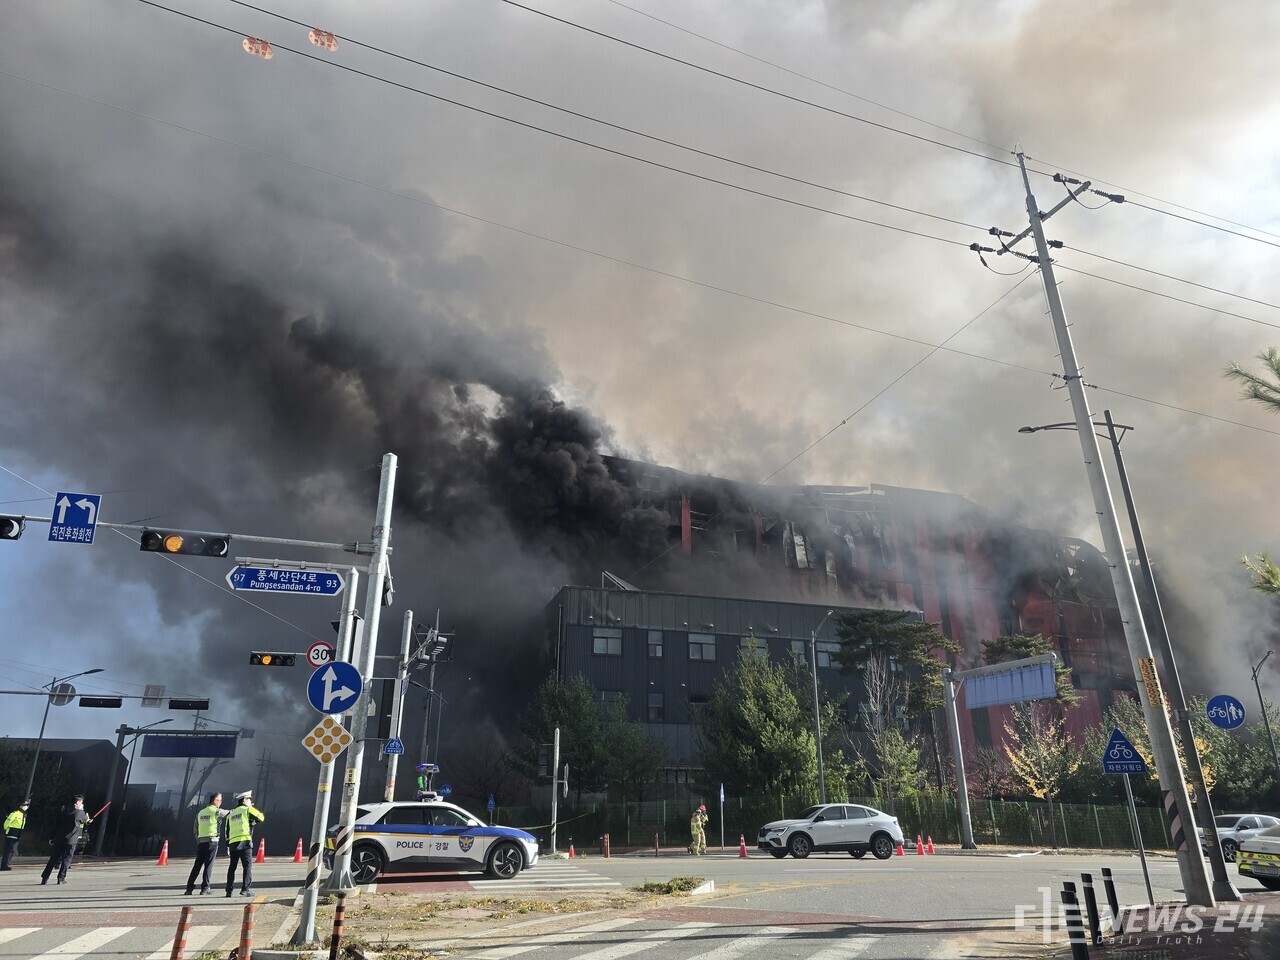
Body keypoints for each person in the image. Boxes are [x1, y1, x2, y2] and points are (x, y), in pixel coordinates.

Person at [41, 794, 89, 885]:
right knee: (67, 859)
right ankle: (61, 878)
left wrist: (52, 837)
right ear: (78, 802)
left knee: (53, 859)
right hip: (71, 840)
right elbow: (85, 820)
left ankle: (45, 877)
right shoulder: (79, 813)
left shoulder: (63, 811)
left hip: (59, 839)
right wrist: (84, 814)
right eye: (81, 802)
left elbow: (55, 825)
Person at [224, 790, 265, 897]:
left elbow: (226, 831)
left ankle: (229, 890)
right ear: (244, 800)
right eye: (249, 800)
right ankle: (245, 889)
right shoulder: (247, 810)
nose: (250, 802)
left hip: (233, 843)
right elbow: (261, 817)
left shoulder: (231, 813)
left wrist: (228, 843)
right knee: (247, 866)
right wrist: (250, 807)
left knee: (232, 867)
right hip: (245, 841)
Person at [185, 792, 225, 895]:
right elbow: (230, 813)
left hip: (201, 842)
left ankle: (189, 888)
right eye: (220, 800)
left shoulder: (200, 813)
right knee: (208, 866)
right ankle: (205, 888)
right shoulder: (217, 811)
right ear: (215, 801)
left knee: (197, 865)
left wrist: (199, 840)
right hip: (212, 842)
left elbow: (195, 829)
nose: (221, 802)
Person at [2, 799, 30, 870]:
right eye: (24, 805)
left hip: (17, 835)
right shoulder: (14, 813)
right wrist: (7, 831)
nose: (26, 807)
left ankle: (6, 864)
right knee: (8, 850)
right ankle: (4, 865)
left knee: (12, 850)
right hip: (11, 834)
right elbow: (6, 824)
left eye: (27, 805)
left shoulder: (24, 815)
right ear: (20, 806)